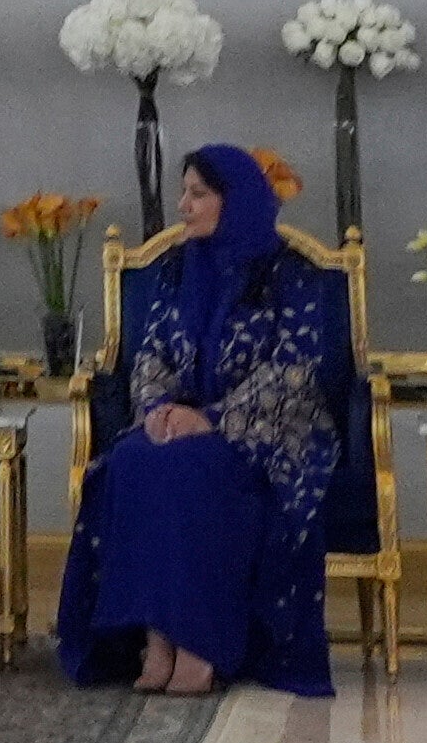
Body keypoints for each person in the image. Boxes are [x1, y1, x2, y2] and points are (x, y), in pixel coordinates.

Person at [51, 141, 373, 696]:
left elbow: (294, 371)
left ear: (236, 199)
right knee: (132, 460)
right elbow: (150, 353)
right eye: (184, 193)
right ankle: (157, 639)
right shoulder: (177, 270)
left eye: (198, 194)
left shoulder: (287, 274)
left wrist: (214, 418)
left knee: (196, 470)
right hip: (181, 422)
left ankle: (200, 647)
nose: (184, 206)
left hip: (270, 432)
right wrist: (158, 410)